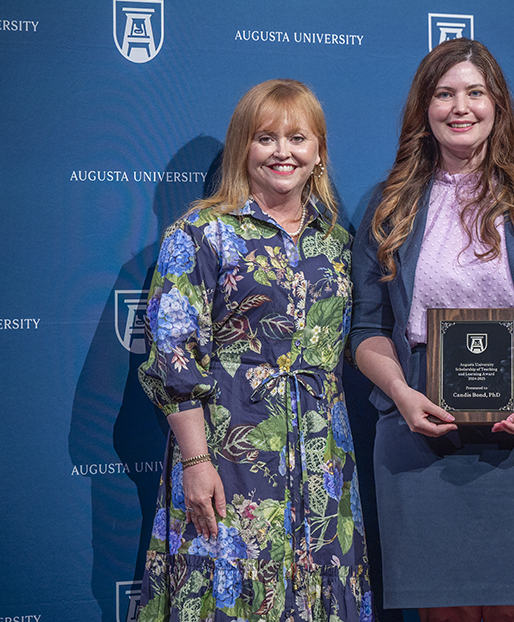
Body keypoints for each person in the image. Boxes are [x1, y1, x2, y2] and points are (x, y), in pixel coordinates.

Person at [350, 38, 514, 622]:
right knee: (445, 614)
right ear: (424, 108)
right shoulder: (390, 204)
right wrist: (403, 396)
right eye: (444, 94)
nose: (460, 107)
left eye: (475, 93)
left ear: (497, 105)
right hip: (420, 434)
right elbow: (366, 328)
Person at [137, 79, 374, 622]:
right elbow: (174, 353)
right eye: (266, 138)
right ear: (244, 145)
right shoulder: (201, 232)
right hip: (229, 451)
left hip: (324, 461)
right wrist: (196, 462)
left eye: (298, 138)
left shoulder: (338, 239)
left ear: (318, 152)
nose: (283, 151)